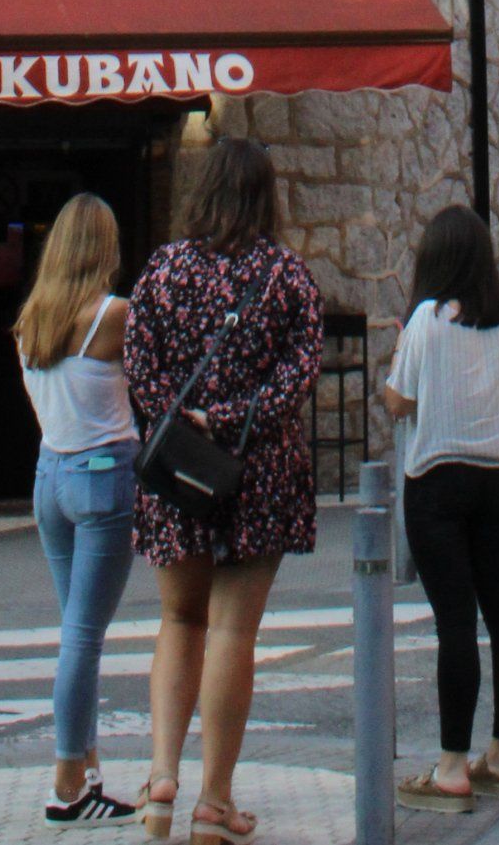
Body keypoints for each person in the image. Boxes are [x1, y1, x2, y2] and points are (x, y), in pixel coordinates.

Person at [124, 138, 325, 845]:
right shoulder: (285, 277)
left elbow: (139, 365)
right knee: (234, 631)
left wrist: (182, 419)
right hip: (257, 473)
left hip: (178, 469)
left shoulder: (161, 271)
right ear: (266, 195)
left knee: (180, 620)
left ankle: (159, 781)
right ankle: (213, 799)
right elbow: (300, 373)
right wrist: (232, 417)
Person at [384, 203, 499, 813]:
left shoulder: (426, 319)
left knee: (456, 622)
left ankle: (451, 768)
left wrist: (389, 369)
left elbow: (401, 402)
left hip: (438, 484)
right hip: (496, 482)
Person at [16, 193, 141, 825]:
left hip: (50, 479)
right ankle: (66, 777)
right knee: (84, 637)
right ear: (104, 249)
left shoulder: (31, 320)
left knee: (77, 633)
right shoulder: (113, 316)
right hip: (102, 477)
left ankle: (87, 768)